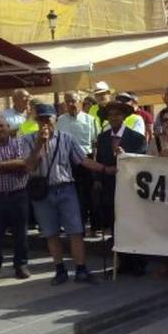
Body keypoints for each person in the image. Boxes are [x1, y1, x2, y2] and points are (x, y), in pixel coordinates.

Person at [22, 104, 114, 285]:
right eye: (41, 119)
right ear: (36, 121)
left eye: (48, 119)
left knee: (75, 231)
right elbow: (30, 166)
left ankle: (80, 269)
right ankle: (60, 269)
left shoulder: (66, 139)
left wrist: (104, 169)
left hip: (65, 188)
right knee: (51, 233)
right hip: (43, 192)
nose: (45, 123)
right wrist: (39, 144)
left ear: (55, 119)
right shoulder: (27, 140)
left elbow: (83, 160)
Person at [95, 101, 148, 276]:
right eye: (110, 115)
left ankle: (138, 262)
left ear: (123, 116)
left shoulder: (136, 137)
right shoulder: (102, 138)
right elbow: (99, 161)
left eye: (117, 114)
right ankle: (122, 262)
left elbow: (142, 161)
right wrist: (98, 179)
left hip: (131, 188)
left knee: (133, 224)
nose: (113, 118)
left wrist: (125, 155)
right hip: (110, 187)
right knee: (116, 225)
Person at [0, 115, 31, 282]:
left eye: (1, 126)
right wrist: (13, 165)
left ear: (8, 127)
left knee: (20, 233)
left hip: (18, 195)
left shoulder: (20, 143)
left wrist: (0, 165)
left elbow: (24, 164)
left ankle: (21, 265)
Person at [56, 91, 98, 231]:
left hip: (86, 160)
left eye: (73, 101)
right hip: (68, 162)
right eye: (68, 101)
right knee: (71, 194)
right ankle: (76, 224)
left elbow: (95, 143)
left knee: (88, 193)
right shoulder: (60, 120)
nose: (71, 104)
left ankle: (94, 224)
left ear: (80, 102)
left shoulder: (90, 120)